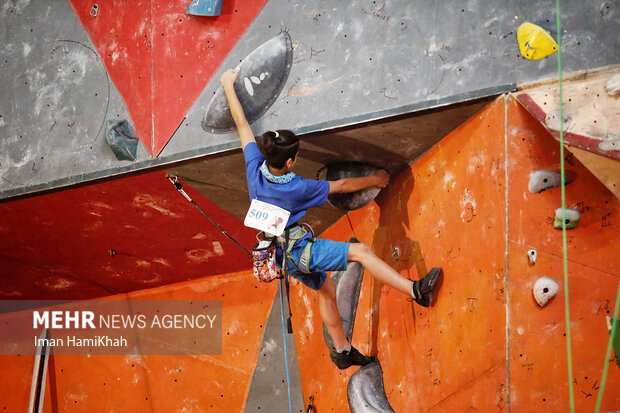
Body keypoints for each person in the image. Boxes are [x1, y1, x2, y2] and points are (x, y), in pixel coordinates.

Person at [221, 68, 441, 369]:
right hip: (300, 251)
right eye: (295, 158)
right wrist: (376, 179)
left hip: (281, 255)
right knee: (361, 252)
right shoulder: (297, 188)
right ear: (289, 162)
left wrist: (227, 85)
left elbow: (241, 123)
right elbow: (342, 186)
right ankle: (417, 292)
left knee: (326, 289)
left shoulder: (253, 169)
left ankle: (342, 351)